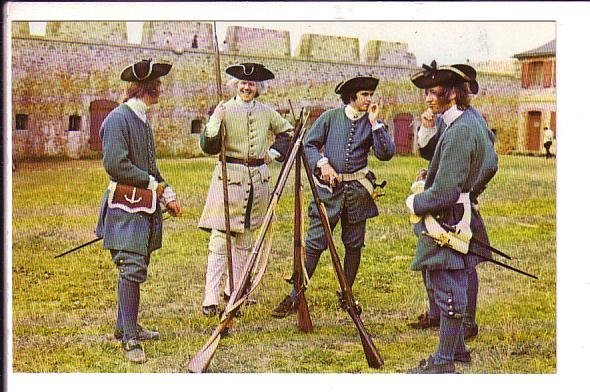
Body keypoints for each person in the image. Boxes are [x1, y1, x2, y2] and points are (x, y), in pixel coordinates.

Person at [271, 75, 395, 318]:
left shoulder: (372, 122)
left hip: (358, 194)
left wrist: (375, 123)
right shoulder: (330, 118)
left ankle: (347, 294)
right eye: (364, 95)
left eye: (371, 95)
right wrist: (323, 164)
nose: (369, 99)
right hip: (328, 193)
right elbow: (308, 145)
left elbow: (386, 153)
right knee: (315, 242)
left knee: (354, 244)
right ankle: (296, 294)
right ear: (352, 97)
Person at [405, 61, 497, 373]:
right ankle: (457, 350)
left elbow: (443, 192)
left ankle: (443, 361)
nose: (428, 98)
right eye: (428, 93)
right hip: (458, 211)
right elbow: (489, 164)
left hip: (448, 216)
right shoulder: (467, 121)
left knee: (447, 285)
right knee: (447, 279)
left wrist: (414, 201)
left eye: (434, 93)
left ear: (453, 94)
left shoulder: (462, 130)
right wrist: (469, 191)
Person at [95, 59, 182, 363]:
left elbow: (151, 166)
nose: (161, 89)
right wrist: (150, 184)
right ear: (149, 88)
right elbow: (115, 165)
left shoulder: (143, 119)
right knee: (131, 266)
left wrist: (166, 193)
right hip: (124, 206)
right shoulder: (118, 119)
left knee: (137, 263)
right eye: (158, 85)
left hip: (142, 206)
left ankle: (124, 326)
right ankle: (130, 338)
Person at [198, 63, 293, 317]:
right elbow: (208, 146)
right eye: (242, 83)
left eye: (251, 84)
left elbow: (288, 133)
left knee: (245, 239)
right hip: (229, 179)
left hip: (257, 182)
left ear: (258, 88)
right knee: (220, 240)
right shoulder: (224, 110)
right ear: (235, 85)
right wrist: (214, 123)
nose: (246, 87)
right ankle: (210, 298)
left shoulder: (267, 112)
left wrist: (273, 154)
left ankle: (234, 293)